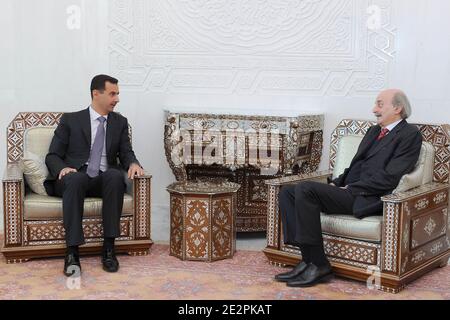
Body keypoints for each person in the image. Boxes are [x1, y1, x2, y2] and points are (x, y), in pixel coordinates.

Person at [275, 89, 422, 287]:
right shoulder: (374, 131)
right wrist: (337, 183)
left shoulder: (410, 135)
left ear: (397, 107)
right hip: (349, 190)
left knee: (305, 189)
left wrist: (352, 187)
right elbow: (355, 165)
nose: (374, 109)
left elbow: (390, 178)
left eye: (379, 104)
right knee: (288, 192)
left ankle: (319, 264)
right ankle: (307, 258)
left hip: (368, 197)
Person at [45, 74, 144, 276]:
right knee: (75, 178)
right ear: (96, 94)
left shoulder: (120, 122)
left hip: (102, 179)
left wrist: (133, 163)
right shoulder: (71, 120)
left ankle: (109, 249)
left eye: (117, 94)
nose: (117, 99)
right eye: (112, 94)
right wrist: (62, 168)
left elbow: (126, 152)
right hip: (75, 177)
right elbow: (52, 155)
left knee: (115, 177)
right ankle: (72, 252)